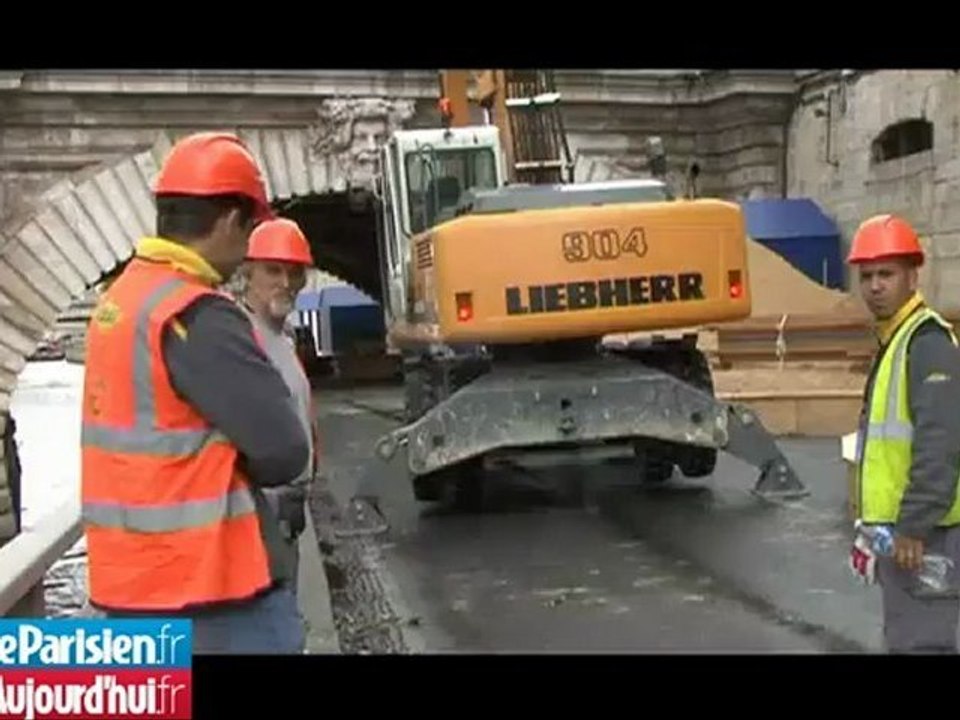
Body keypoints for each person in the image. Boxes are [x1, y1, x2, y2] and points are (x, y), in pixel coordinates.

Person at [80, 131, 310, 654]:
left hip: (130, 589)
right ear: (230, 221)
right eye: (251, 226)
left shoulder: (122, 303)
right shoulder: (195, 313)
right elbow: (284, 451)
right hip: (214, 594)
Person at [846, 213, 960, 653]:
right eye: (867, 275)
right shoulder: (896, 338)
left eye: (887, 274)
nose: (875, 286)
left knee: (921, 644)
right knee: (908, 639)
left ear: (912, 276)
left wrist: (913, 525)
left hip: (926, 534)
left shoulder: (926, 342)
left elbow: (941, 442)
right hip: (901, 534)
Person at [234, 217, 320, 586]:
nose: (286, 283)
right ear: (247, 274)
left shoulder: (280, 339)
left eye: (295, 273)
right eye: (273, 271)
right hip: (260, 516)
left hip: (286, 510)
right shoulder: (240, 337)